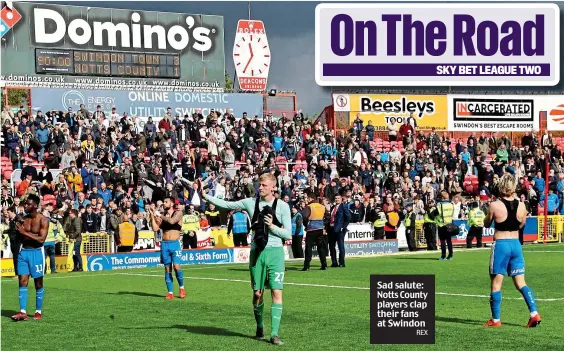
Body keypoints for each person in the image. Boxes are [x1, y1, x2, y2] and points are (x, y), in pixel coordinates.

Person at [203, 173, 292, 345]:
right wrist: (204, 195)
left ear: (273, 187)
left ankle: (274, 334)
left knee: (276, 291)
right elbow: (226, 204)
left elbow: (288, 233)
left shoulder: (282, 206)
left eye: (264, 185)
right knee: (257, 293)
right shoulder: (250, 202)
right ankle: (259, 326)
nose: (261, 187)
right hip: (257, 253)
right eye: (260, 184)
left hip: (275, 253)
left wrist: (272, 226)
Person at [483, 174, 541, 328]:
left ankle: (495, 320)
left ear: (501, 186)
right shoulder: (522, 205)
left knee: (496, 284)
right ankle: (534, 313)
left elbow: (487, 224)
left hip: (501, 244)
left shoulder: (494, 204)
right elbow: (522, 224)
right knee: (521, 282)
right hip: (516, 244)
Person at [11, 194, 49, 321]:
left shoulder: (43, 220)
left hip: (37, 253)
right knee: (22, 282)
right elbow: (20, 236)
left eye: (28, 204)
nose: (25, 206)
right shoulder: (23, 219)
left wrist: (24, 232)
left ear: (35, 206)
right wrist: (17, 228)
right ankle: (23, 312)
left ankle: (38, 311)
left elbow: (41, 239)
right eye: (25, 203)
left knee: (38, 283)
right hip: (23, 253)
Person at [148, 197, 186, 300]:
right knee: (167, 269)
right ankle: (170, 292)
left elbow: (172, 221)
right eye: (163, 202)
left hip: (175, 244)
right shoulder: (163, 215)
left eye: (166, 202)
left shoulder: (178, 213)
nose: (164, 204)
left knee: (177, 267)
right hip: (165, 244)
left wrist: (159, 214)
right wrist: (152, 215)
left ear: (172, 203)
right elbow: (155, 228)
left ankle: (182, 288)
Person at [302, 193, 328, 271]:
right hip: (320, 229)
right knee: (321, 248)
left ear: (310, 198)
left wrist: (306, 225)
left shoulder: (309, 207)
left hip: (311, 230)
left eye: (307, 198)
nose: (306, 200)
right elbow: (328, 217)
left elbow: (305, 217)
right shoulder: (322, 207)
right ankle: (324, 265)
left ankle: (306, 266)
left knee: (308, 248)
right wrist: (323, 224)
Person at [433, 191, 454, 260]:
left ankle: (443, 255)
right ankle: (450, 255)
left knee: (442, 241)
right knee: (449, 241)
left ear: (442, 198)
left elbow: (436, 213)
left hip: (442, 224)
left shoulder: (440, 205)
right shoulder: (451, 204)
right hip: (450, 224)